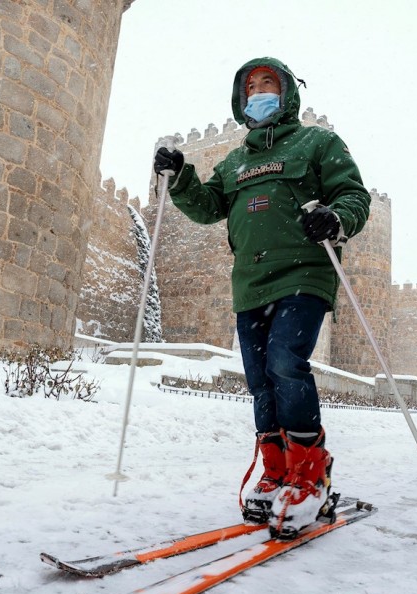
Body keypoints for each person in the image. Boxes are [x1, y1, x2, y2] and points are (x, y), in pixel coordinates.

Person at [154, 57, 371, 539]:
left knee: (285, 363)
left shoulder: (319, 143)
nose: (258, 92)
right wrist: (182, 177)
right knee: (260, 380)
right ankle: (276, 470)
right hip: (249, 283)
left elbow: (354, 195)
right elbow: (208, 207)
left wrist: (336, 219)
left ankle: (310, 475)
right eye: (250, 87)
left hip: (303, 275)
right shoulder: (235, 162)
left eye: (267, 83)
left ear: (287, 91)